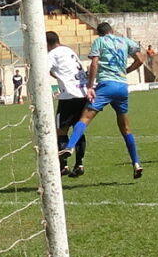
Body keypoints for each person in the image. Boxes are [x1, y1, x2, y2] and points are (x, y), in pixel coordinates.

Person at [61, 22, 146, 179]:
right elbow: (140, 60)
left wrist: (90, 86)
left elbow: (94, 63)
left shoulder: (100, 41)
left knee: (85, 118)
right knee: (126, 128)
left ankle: (70, 146)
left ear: (99, 33)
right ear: (111, 31)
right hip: (122, 87)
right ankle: (136, 163)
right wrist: (125, 71)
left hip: (106, 85)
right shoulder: (125, 41)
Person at [47, 31, 88, 177]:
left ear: (46, 44)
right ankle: (79, 164)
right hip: (83, 93)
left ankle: (63, 165)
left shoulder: (52, 54)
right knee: (78, 129)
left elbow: (43, 71)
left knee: (60, 131)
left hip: (69, 96)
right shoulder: (69, 50)